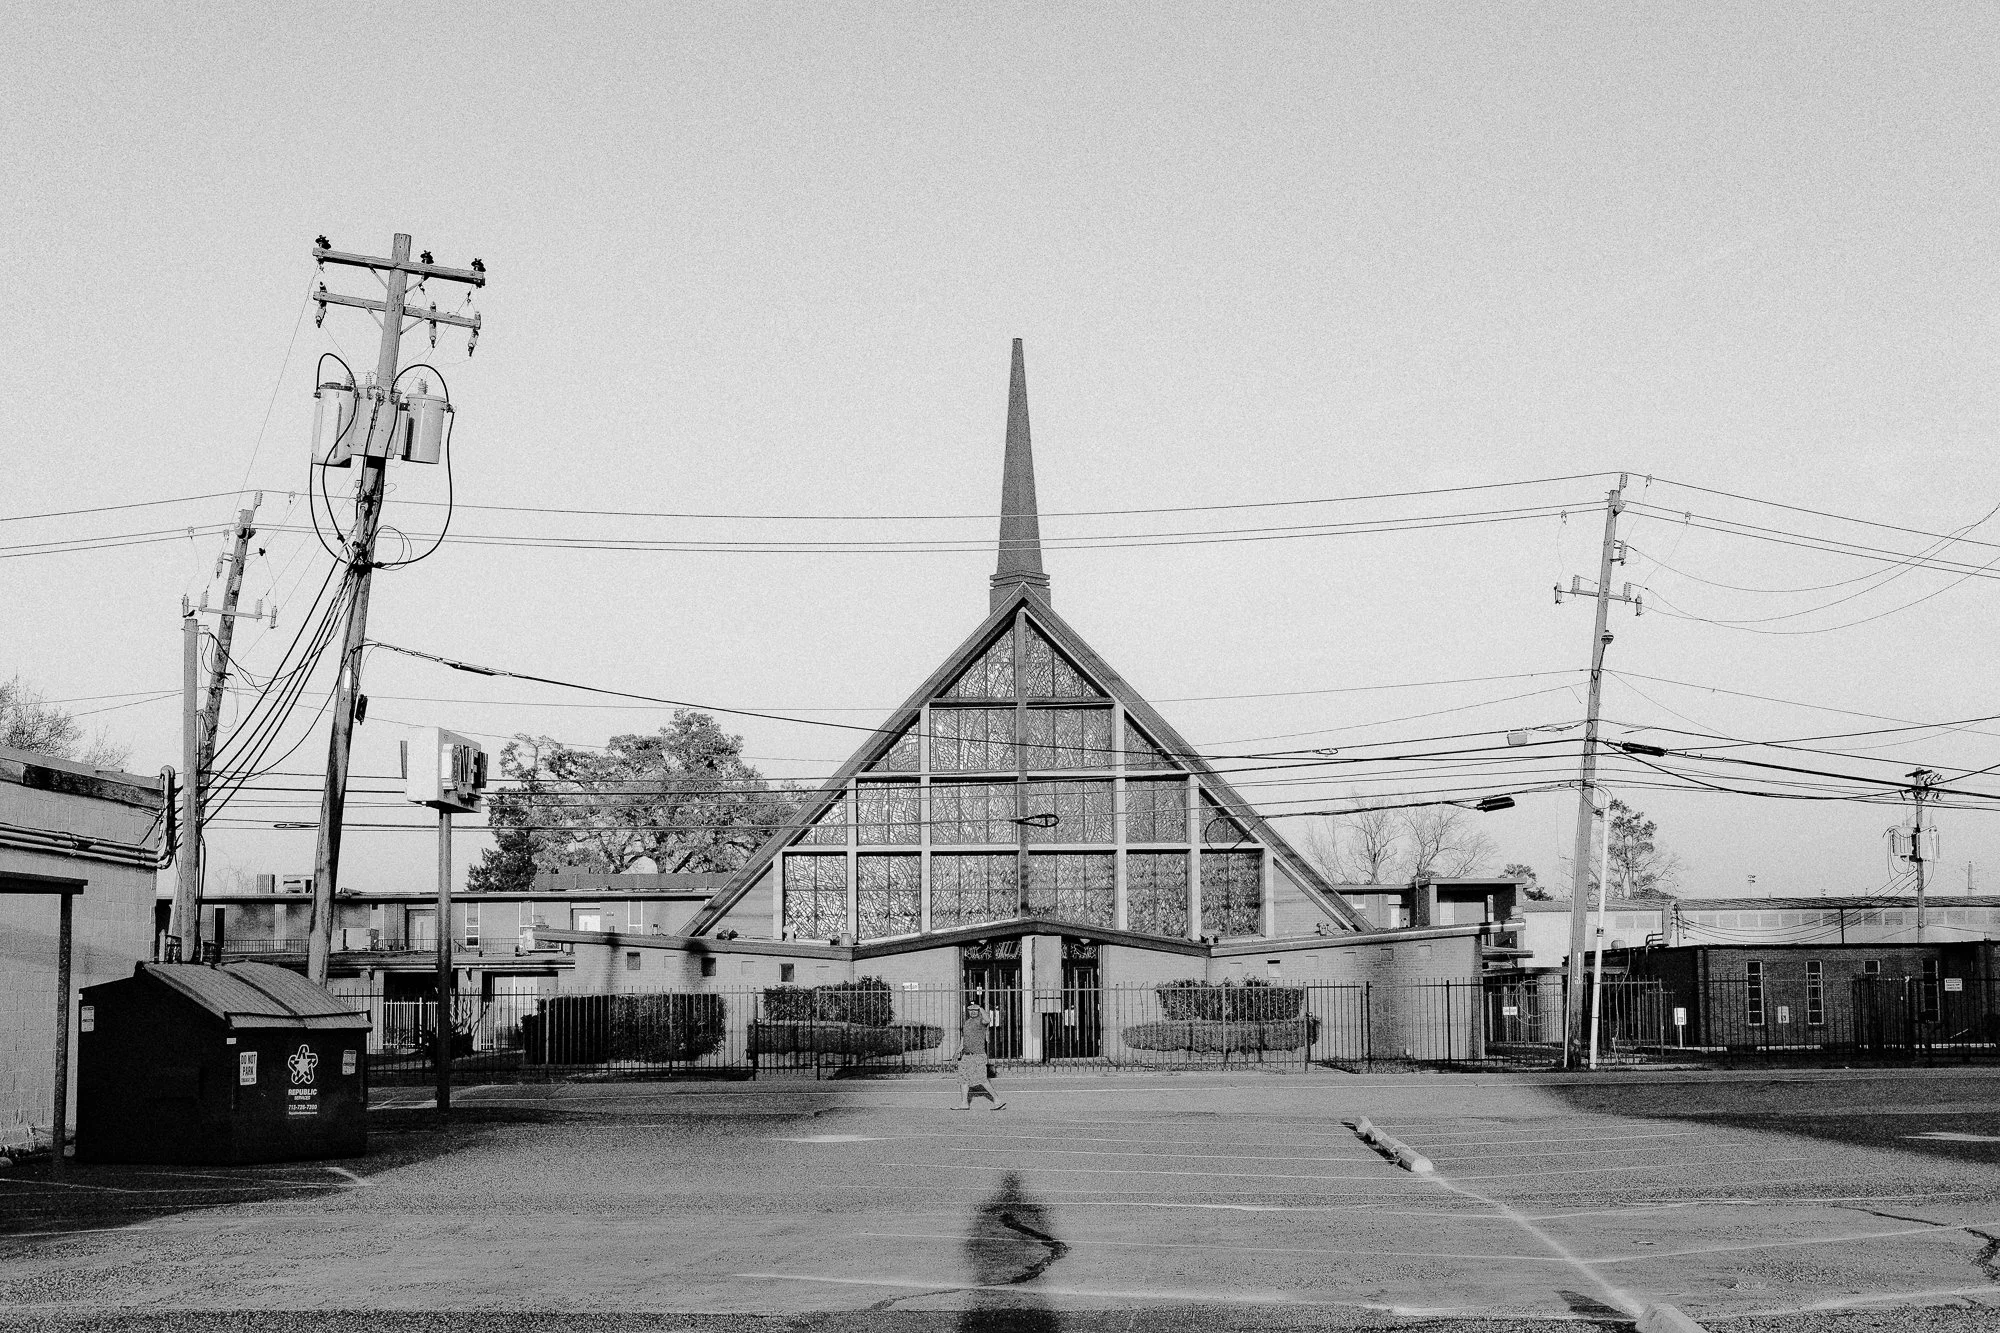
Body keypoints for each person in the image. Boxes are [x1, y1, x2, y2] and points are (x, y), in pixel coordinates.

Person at [957, 1002, 1005, 1111]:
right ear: (968, 1011)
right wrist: (959, 1049)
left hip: (978, 1055)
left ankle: (997, 1100)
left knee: (982, 1079)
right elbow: (964, 1037)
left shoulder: (981, 1021)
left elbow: (988, 1020)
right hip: (966, 1055)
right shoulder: (967, 1022)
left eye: (975, 1010)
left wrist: (980, 1007)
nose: (973, 1012)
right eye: (971, 1009)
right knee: (963, 1079)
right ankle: (964, 1103)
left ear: (978, 1011)